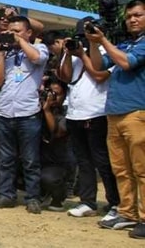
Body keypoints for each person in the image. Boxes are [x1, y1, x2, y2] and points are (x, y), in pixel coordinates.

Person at [87, 0, 145, 238]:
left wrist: (103, 41)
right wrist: (93, 43)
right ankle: (127, 213)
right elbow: (100, 65)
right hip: (114, 114)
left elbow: (126, 63)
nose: (132, 19)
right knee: (121, 169)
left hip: (138, 113)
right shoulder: (125, 43)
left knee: (142, 169)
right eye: (129, 15)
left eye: (138, 15)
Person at [0, 7, 44, 203]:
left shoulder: (33, 46)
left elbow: (38, 39)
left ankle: (31, 197)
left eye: (11, 23)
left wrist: (16, 21)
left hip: (25, 110)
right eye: (2, 19)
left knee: (29, 158)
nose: (6, 24)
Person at [59, 18, 120, 220]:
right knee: (83, 160)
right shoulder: (74, 54)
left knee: (103, 161)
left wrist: (84, 53)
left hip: (97, 113)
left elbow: (99, 74)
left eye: (85, 37)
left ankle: (115, 203)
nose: (82, 41)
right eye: (79, 38)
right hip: (75, 114)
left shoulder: (106, 54)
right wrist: (68, 54)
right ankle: (88, 201)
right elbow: (65, 77)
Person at [0, 16, 49, 214]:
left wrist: (19, 41)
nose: (12, 35)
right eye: (10, 31)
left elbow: (36, 59)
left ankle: (33, 198)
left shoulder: (39, 49)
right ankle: (6, 194)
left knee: (30, 160)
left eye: (18, 31)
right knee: (6, 158)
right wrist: (0, 55)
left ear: (29, 33)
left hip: (28, 113)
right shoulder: (7, 55)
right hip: (5, 112)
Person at [39, 78, 69, 212]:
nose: (53, 97)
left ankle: (58, 197)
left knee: (49, 178)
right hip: (37, 159)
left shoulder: (67, 112)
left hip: (57, 163)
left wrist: (47, 111)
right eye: (50, 93)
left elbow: (57, 133)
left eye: (57, 94)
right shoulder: (34, 109)